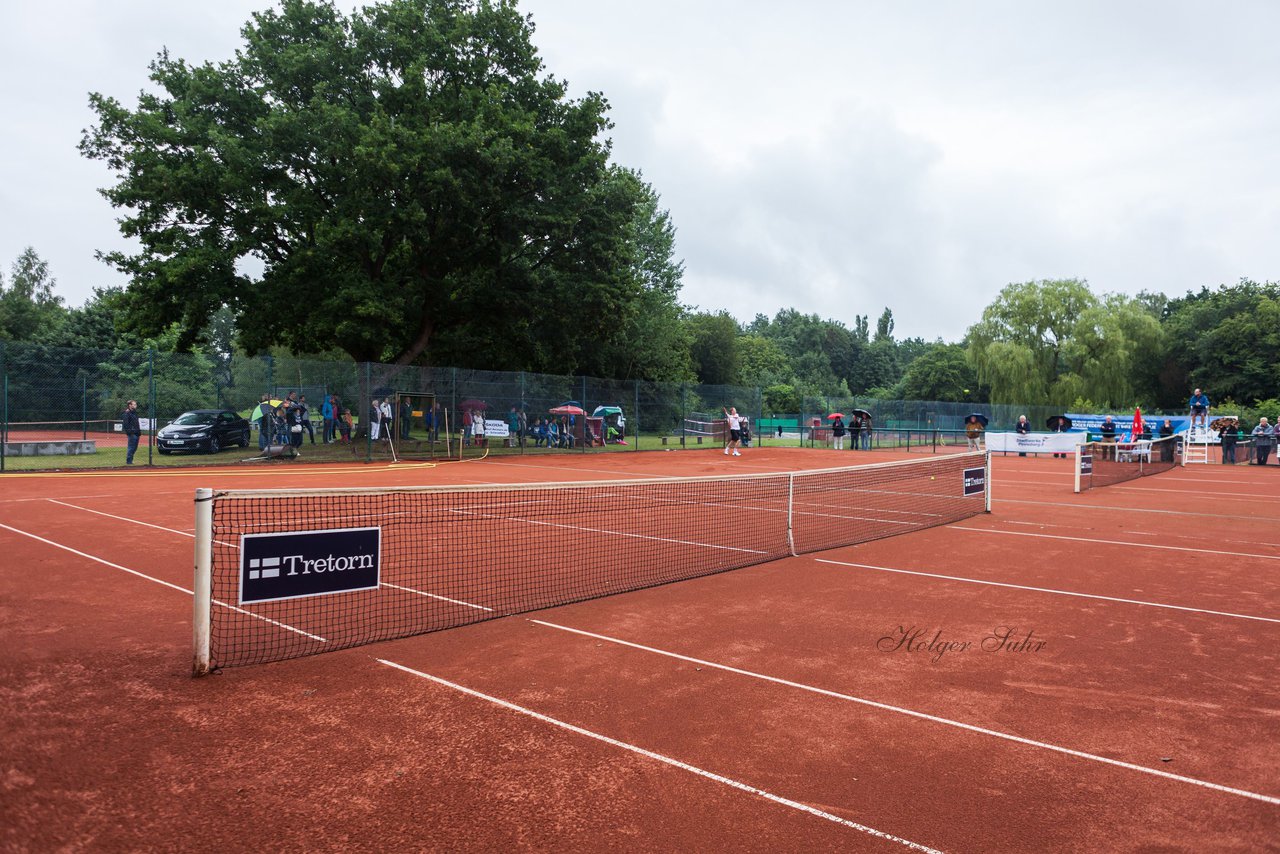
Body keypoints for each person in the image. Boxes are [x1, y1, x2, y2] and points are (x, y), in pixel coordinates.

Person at [121, 399, 142, 464]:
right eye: (134, 404)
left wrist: (138, 432)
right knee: (131, 447)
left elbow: (136, 423)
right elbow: (126, 424)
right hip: (132, 433)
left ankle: (130, 460)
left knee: (134, 448)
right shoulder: (127, 413)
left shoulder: (134, 413)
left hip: (136, 433)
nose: (136, 405)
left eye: (136, 404)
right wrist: (130, 432)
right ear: (130, 405)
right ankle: (129, 461)